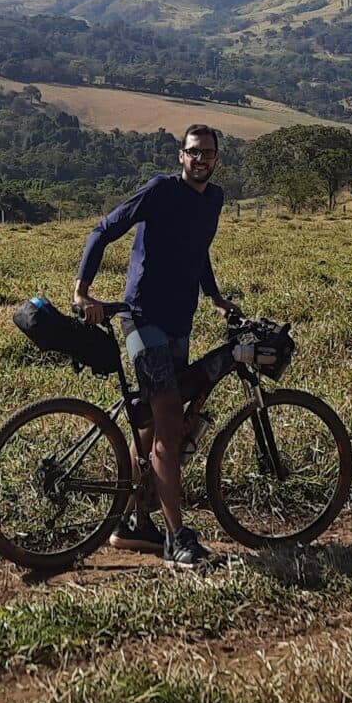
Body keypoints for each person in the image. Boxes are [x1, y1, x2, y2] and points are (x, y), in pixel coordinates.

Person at [75, 124, 230, 567]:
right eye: (194, 152)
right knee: (166, 426)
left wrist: (215, 298)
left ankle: (131, 524)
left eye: (209, 153)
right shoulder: (160, 191)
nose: (201, 160)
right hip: (142, 319)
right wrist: (83, 291)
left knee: (150, 423)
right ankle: (176, 537)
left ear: (217, 159)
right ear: (181, 156)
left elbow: (199, 252)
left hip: (181, 323)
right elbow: (103, 231)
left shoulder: (214, 200)